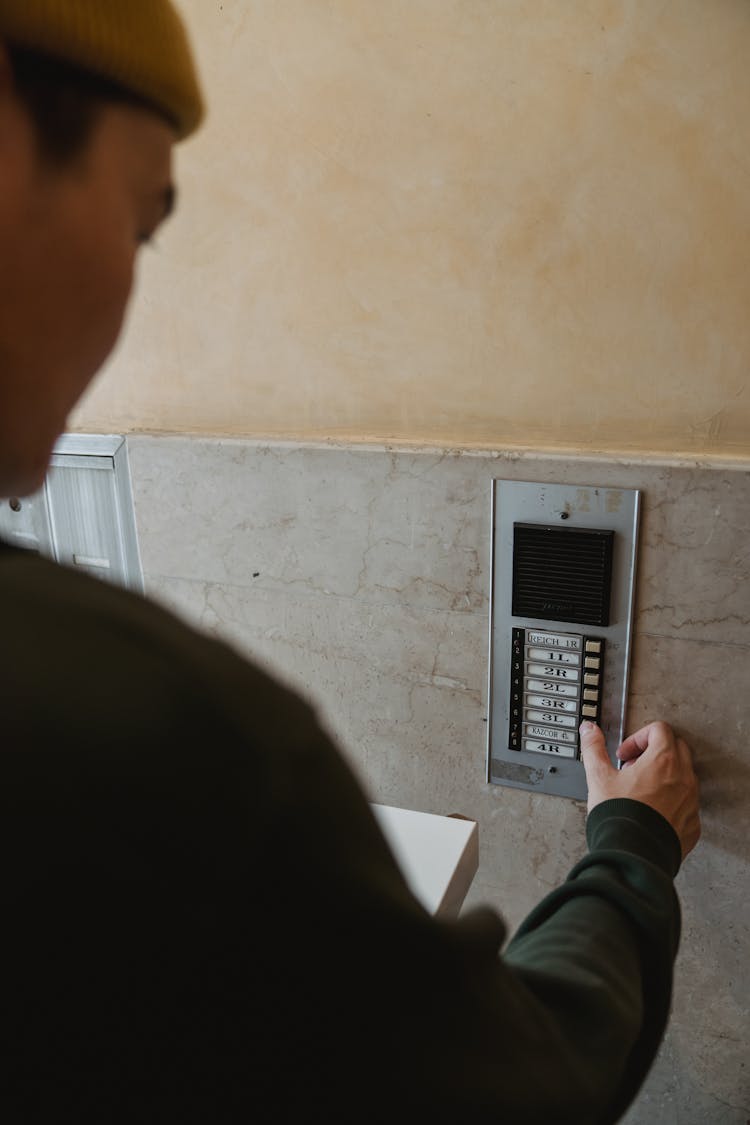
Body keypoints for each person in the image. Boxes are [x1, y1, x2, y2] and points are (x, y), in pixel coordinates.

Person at [0, 3, 700, 1122]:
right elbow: (522, 1087)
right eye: (140, 226)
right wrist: (631, 844)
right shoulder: (155, 734)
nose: (129, 298)